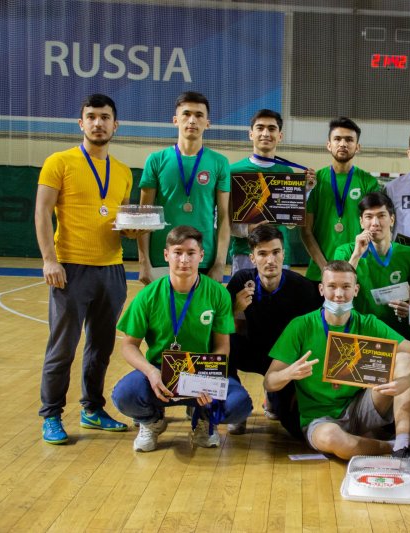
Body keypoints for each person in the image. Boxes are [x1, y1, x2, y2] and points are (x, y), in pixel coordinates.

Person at [264, 261, 410, 479]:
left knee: (403, 358)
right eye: (332, 286)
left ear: (356, 290)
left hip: (359, 407)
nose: (339, 294)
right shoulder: (301, 326)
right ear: (321, 289)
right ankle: (394, 448)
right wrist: (289, 373)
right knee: (333, 439)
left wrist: (406, 380)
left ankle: (403, 444)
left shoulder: (368, 323)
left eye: (346, 287)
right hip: (320, 419)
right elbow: (269, 381)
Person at [35, 93, 134, 444]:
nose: (98, 123)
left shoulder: (123, 172)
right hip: (71, 269)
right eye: (91, 117)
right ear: (81, 123)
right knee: (63, 347)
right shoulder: (59, 162)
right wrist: (50, 260)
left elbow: (123, 220)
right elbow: (42, 212)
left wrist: (133, 229)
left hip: (112, 269)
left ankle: (92, 409)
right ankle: (51, 414)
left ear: (115, 125)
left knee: (101, 347)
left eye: (104, 117)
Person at [112, 225, 253, 452]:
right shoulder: (148, 296)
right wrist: (150, 372)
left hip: (202, 371)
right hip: (161, 372)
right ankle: (152, 421)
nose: (184, 260)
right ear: (166, 255)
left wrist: (208, 377)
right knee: (124, 395)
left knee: (239, 405)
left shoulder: (217, 293)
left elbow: (222, 345)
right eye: (177, 252)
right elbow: (129, 346)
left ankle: (204, 418)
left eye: (191, 253)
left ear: (201, 255)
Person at [226, 224, 323, 437]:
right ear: (252, 258)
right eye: (262, 254)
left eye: (276, 252)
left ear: (283, 254)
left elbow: (316, 335)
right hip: (253, 351)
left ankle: (273, 398)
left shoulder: (302, 288)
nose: (270, 260)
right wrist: (235, 310)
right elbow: (223, 327)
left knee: (293, 425)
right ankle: (236, 403)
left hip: (283, 359)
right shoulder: (241, 280)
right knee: (224, 344)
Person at [137, 92, 230, 284]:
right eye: (186, 114)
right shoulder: (156, 160)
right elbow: (144, 216)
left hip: (204, 258)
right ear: (175, 120)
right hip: (161, 257)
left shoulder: (219, 162)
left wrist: (220, 264)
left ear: (207, 123)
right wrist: (143, 262)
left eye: (199, 115)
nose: (192, 120)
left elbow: (224, 217)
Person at [229, 109, 315, 274]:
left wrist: (306, 190)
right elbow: (221, 219)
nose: (265, 133)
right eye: (260, 128)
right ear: (251, 134)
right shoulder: (233, 171)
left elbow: (290, 223)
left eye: (271, 128)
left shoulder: (287, 172)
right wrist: (247, 229)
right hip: (245, 253)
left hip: (278, 254)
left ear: (280, 136)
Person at [301, 117, 381, 282]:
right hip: (319, 272)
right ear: (328, 145)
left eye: (349, 140)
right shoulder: (316, 181)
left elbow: (373, 229)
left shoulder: (369, 182)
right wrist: (325, 269)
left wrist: (351, 267)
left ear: (357, 147)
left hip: (358, 271)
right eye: (337, 139)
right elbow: (306, 231)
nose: (343, 144)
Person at [333, 192, 410, 339]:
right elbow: (336, 294)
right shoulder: (345, 252)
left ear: (392, 219)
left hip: (397, 335)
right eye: (369, 217)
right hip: (357, 331)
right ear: (361, 222)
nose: (375, 223)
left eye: (381, 216)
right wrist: (356, 255)